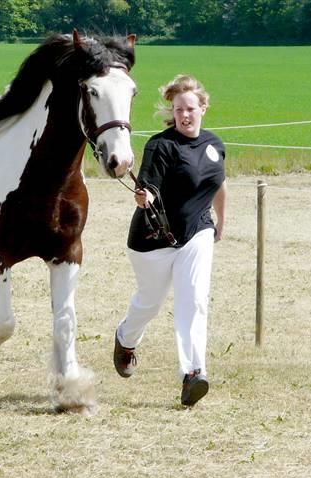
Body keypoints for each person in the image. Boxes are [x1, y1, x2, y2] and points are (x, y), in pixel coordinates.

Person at [113, 74, 227, 406]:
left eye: (190, 108)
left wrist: (221, 223)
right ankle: (126, 338)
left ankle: (193, 374)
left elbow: (219, 184)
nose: (184, 115)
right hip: (153, 240)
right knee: (150, 302)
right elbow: (149, 183)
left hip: (197, 233)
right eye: (179, 110)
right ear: (172, 111)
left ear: (203, 108)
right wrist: (144, 194)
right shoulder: (161, 146)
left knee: (193, 301)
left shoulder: (214, 145)